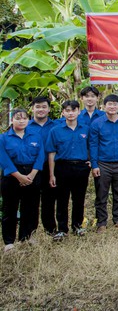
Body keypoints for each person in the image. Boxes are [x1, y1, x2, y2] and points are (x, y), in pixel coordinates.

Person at [0, 109, 45, 252]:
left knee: (31, 208)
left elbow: (40, 156)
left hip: (32, 173)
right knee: (10, 208)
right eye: (18, 118)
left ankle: (27, 236)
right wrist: (18, 176)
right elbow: (4, 159)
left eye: (25, 118)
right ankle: (9, 242)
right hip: (11, 175)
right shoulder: (4, 138)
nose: (21, 121)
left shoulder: (35, 136)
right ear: (12, 120)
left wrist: (32, 175)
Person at [45, 100, 91, 240]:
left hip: (81, 167)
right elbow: (51, 153)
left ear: (78, 111)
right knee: (62, 199)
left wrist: (91, 160)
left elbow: (91, 146)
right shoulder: (55, 130)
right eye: (67, 110)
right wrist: (52, 174)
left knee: (79, 198)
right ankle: (62, 229)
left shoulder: (85, 129)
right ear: (63, 112)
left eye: (74, 110)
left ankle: (77, 227)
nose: (70, 113)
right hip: (62, 167)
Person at [89, 94, 118, 232]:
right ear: (103, 106)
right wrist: (95, 164)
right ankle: (101, 223)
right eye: (109, 104)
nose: (112, 106)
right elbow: (93, 145)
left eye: (115, 104)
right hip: (103, 164)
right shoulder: (97, 123)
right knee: (101, 195)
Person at [29, 97, 58, 235]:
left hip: (50, 167)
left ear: (49, 109)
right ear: (32, 108)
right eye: (38, 107)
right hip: (31, 168)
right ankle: (30, 231)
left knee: (49, 199)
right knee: (31, 200)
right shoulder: (26, 126)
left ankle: (50, 229)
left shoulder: (55, 125)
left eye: (44, 107)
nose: (41, 110)